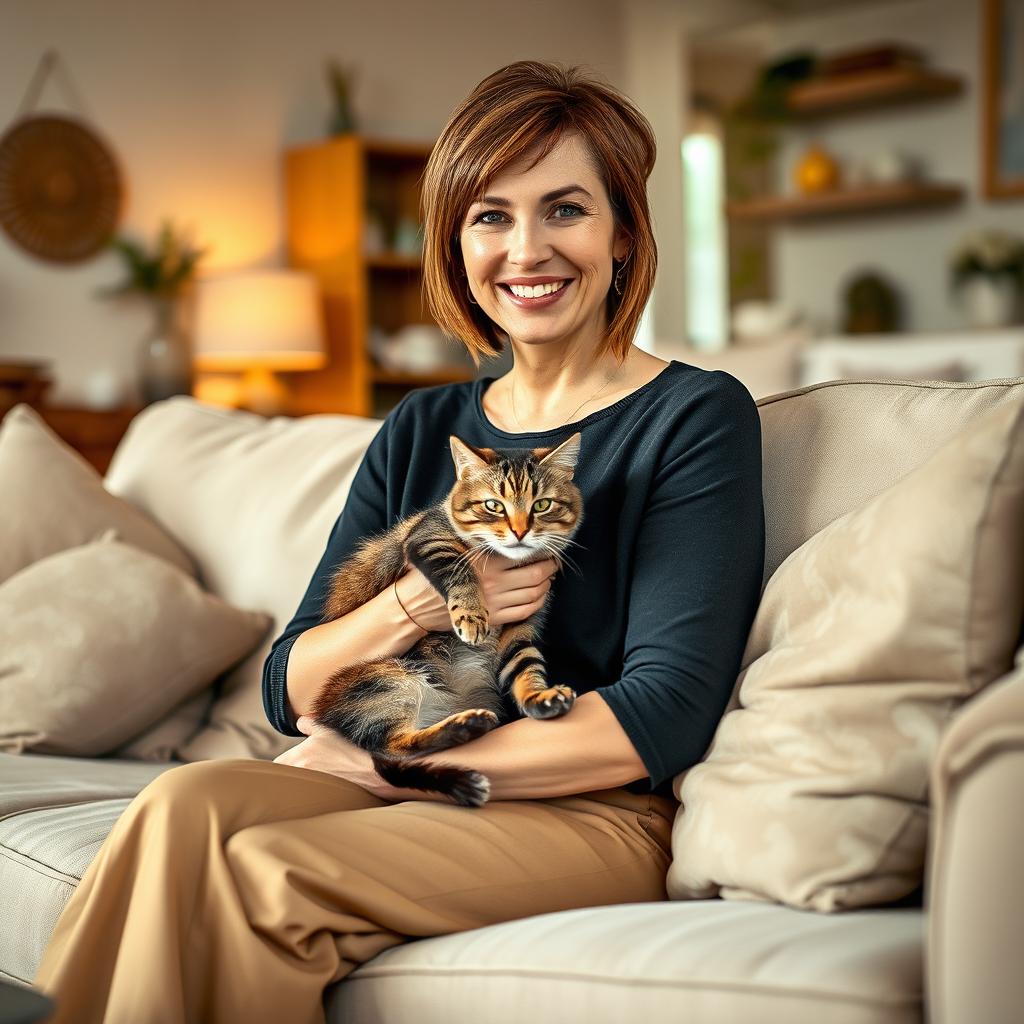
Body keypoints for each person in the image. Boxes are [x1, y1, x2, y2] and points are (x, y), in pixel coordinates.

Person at [32, 59, 765, 1024]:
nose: (527, 249)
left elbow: (660, 714)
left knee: (263, 875)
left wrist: (384, 764)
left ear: (624, 232)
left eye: (567, 209)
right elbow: (289, 684)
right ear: (458, 241)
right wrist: (416, 602)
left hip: (589, 806)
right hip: (417, 767)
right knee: (175, 808)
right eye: (491, 215)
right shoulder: (424, 429)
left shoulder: (694, 415)